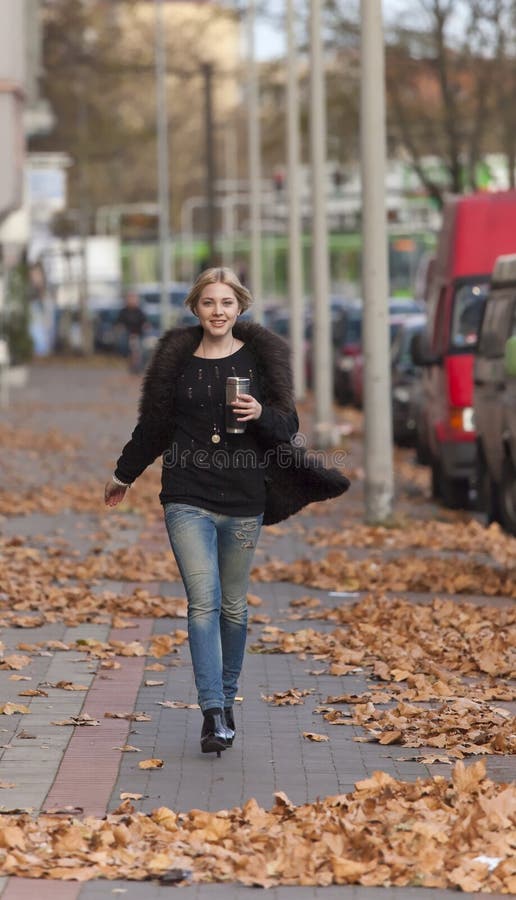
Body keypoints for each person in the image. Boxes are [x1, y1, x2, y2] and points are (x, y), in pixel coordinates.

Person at [104, 267, 349, 757]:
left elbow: (287, 426)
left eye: (227, 303)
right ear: (195, 307)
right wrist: (124, 474)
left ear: (240, 308)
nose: (219, 311)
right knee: (203, 601)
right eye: (210, 302)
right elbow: (153, 425)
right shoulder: (175, 361)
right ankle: (212, 710)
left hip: (243, 499)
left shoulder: (261, 359)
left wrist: (261, 413)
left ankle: (228, 696)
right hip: (186, 495)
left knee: (233, 608)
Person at [116, 290, 148, 373]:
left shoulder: (139, 311)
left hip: (138, 333)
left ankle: (140, 365)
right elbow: (119, 323)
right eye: (130, 299)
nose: (132, 301)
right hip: (128, 333)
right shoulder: (123, 311)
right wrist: (120, 327)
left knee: (142, 349)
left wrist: (145, 325)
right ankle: (126, 357)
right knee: (124, 345)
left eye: (134, 299)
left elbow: (145, 322)